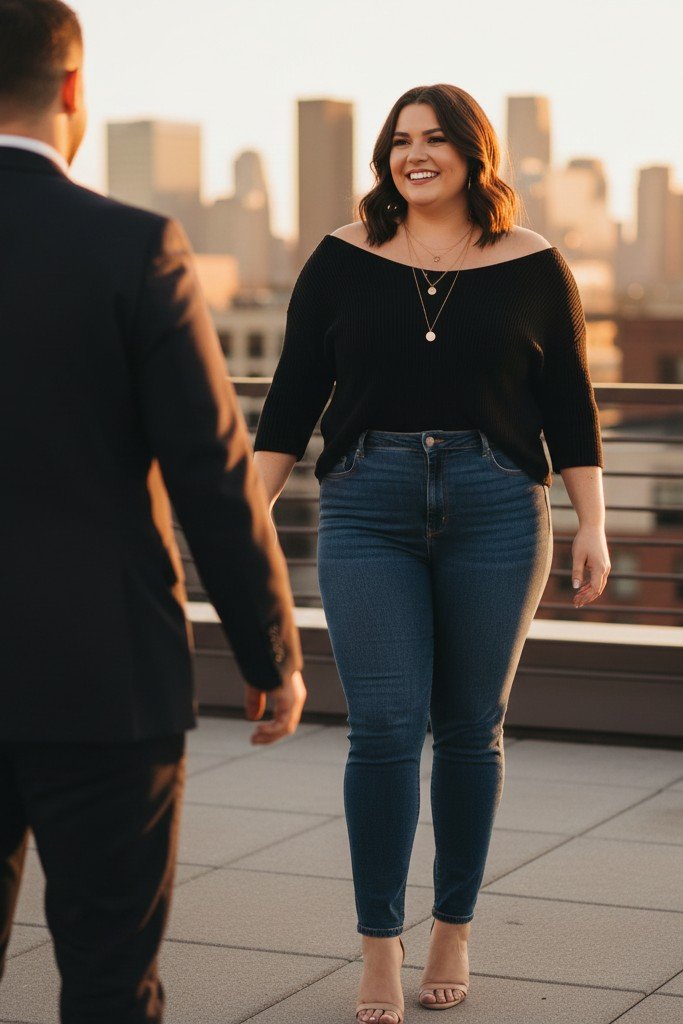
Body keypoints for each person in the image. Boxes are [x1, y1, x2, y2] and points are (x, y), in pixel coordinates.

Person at [254, 83, 610, 1023]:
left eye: (435, 139)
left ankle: (451, 925)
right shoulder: (339, 259)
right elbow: (292, 396)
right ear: (385, 156)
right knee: (380, 729)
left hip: (500, 506)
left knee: (467, 729)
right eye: (400, 141)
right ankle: (379, 945)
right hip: (366, 506)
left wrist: (594, 523)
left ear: (471, 153)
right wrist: (248, 518)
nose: (416, 155)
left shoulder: (535, 263)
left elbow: (569, 404)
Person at [0, 2, 306, 1021]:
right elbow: (214, 474)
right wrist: (269, 654)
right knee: (106, 977)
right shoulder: (130, 245)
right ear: (75, 89)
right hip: (103, 675)